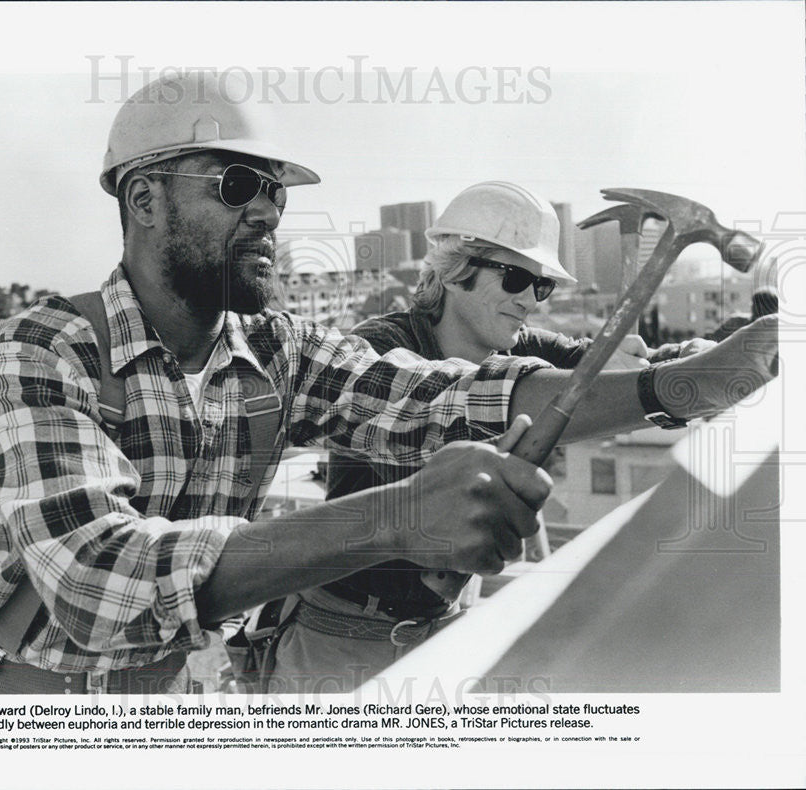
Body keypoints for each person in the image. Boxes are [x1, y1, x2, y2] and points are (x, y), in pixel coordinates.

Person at [0, 74, 776, 694]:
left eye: (273, 193)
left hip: (168, 693)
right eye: (237, 185)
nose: (267, 212)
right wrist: (396, 518)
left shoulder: (276, 351)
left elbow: (447, 399)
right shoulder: (39, 353)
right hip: (28, 707)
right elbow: (96, 583)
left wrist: (687, 383)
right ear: (144, 199)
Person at [266, 181, 763, 693]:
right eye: (516, 278)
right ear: (456, 270)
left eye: (541, 285)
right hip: (344, 638)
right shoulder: (382, 346)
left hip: (449, 629)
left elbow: (619, 374)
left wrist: (719, 358)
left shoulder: (523, 344)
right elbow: (438, 426)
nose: (529, 299)